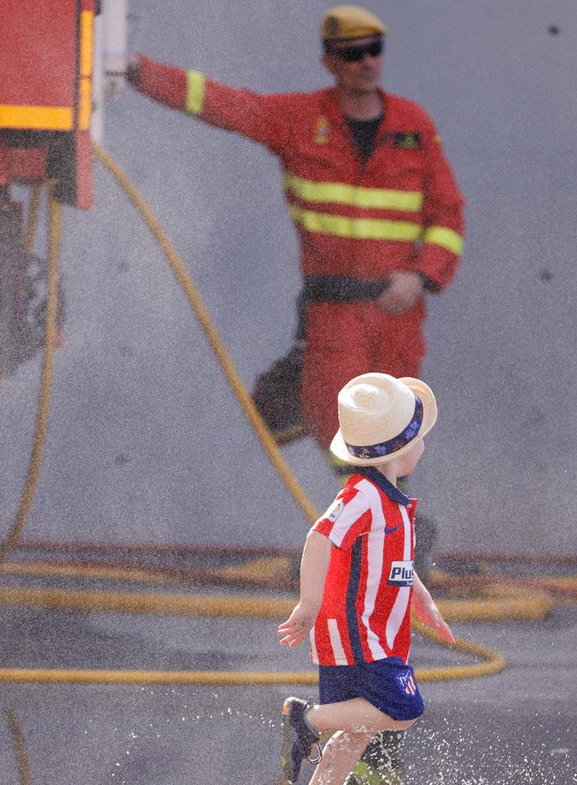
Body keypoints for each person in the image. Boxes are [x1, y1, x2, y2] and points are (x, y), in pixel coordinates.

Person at [125, 5, 465, 473]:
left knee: (393, 438)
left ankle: (389, 534)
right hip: (335, 306)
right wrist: (141, 73)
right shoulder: (301, 120)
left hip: (398, 310)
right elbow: (228, 105)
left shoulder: (414, 127)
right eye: (352, 54)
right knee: (343, 425)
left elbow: (448, 215)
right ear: (329, 63)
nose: (367, 62)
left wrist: (421, 277)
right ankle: (385, 525)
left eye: (374, 50)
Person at [276, 372, 455, 785]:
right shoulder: (363, 497)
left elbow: (396, 563)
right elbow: (320, 537)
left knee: (358, 729)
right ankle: (306, 717)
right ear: (402, 448)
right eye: (420, 436)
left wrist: (422, 599)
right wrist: (308, 604)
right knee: (403, 709)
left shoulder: (391, 504)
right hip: (359, 636)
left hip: (373, 634)